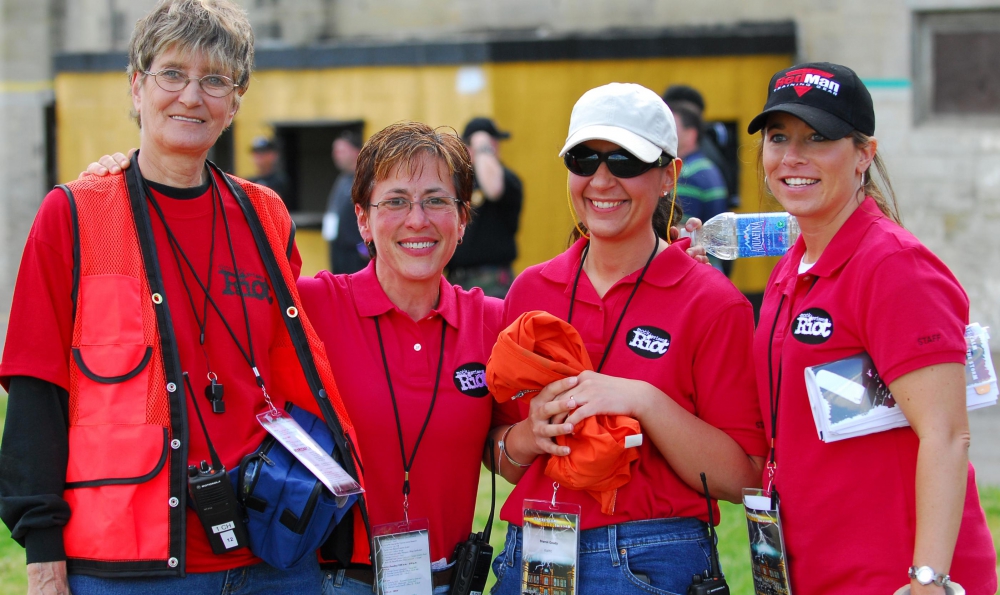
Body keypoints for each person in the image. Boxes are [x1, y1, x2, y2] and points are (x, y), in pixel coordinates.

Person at [0, 1, 362, 593]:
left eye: (214, 80)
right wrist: (42, 559)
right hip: (127, 566)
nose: (191, 97)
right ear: (138, 85)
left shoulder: (265, 216)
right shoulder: (74, 215)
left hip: (273, 556)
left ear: (236, 101)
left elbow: (294, 372)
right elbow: (37, 390)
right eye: (172, 74)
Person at [488, 83, 767, 594]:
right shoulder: (531, 288)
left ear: (668, 176)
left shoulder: (712, 301)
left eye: (625, 161)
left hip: (652, 556)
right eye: (584, 158)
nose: (601, 179)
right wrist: (530, 435)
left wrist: (644, 401)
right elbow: (502, 455)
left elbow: (744, 476)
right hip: (533, 551)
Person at [748, 62, 996, 594]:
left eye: (818, 137)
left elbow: (947, 434)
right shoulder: (792, 268)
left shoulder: (893, 266)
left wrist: (928, 579)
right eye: (778, 137)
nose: (793, 157)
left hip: (894, 578)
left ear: (864, 154)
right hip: (817, 570)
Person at [446, 117, 523, 298]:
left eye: (490, 144)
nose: (494, 147)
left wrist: (481, 143)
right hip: (455, 280)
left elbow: (494, 189)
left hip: (492, 281)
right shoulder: (458, 182)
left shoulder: (507, 180)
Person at [667, 100, 729, 273]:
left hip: (694, 266)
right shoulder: (707, 167)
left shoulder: (687, 174)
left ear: (691, 133)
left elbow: (676, 231)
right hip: (711, 265)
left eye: (673, 128)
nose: (666, 134)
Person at [322, 130, 368, 274]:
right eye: (334, 151)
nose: (336, 155)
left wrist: (365, 247)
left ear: (356, 152)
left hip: (356, 254)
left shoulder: (364, 179)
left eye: (341, 150)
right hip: (338, 249)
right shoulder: (342, 179)